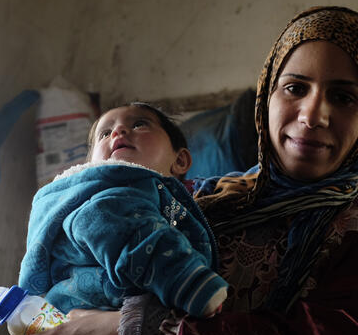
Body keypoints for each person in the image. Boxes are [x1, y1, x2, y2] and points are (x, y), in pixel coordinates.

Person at [16, 6, 358, 335]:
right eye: (294, 88)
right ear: (266, 97)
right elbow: (80, 288)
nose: (312, 116)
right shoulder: (192, 199)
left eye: (344, 97)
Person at [18, 102, 228, 318]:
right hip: (96, 313)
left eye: (139, 124)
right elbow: (128, 233)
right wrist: (188, 282)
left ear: (180, 160)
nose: (118, 132)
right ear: (93, 164)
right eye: (105, 133)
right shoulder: (110, 196)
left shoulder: (188, 192)